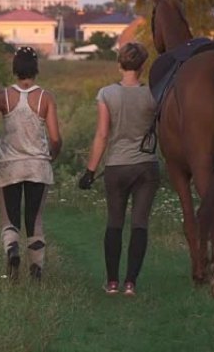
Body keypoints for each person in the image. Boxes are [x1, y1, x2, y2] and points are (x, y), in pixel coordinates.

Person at [78, 42, 160, 296]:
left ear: (119, 63)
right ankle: (131, 283)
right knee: (139, 223)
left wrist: (90, 171)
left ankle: (112, 282)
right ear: (143, 66)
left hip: (116, 166)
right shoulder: (153, 95)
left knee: (114, 222)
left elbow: (102, 134)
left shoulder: (107, 94)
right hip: (146, 166)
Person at [0, 46, 62, 281]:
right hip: (38, 165)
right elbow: (56, 138)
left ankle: (12, 249)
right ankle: (36, 267)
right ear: (35, 69)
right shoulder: (46, 98)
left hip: (9, 166)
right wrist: (51, 155)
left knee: (9, 218)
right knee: (34, 220)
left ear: (15, 69)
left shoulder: (3, 96)